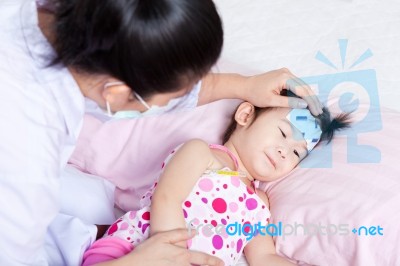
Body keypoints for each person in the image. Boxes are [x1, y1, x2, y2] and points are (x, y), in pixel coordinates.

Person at [0, 0, 323, 265]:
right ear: (117, 93)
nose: (285, 149)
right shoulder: (25, 167)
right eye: (173, 98)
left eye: (296, 150)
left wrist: (244, 85)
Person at [82, 102, 350, 266]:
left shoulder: (259, 204)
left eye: (296, 153)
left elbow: (264, 258)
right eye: (283, 133)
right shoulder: (202, 154)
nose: (284, 151)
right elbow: (166, 199)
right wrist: (173, 256)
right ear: (245, 115)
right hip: (132, 250)